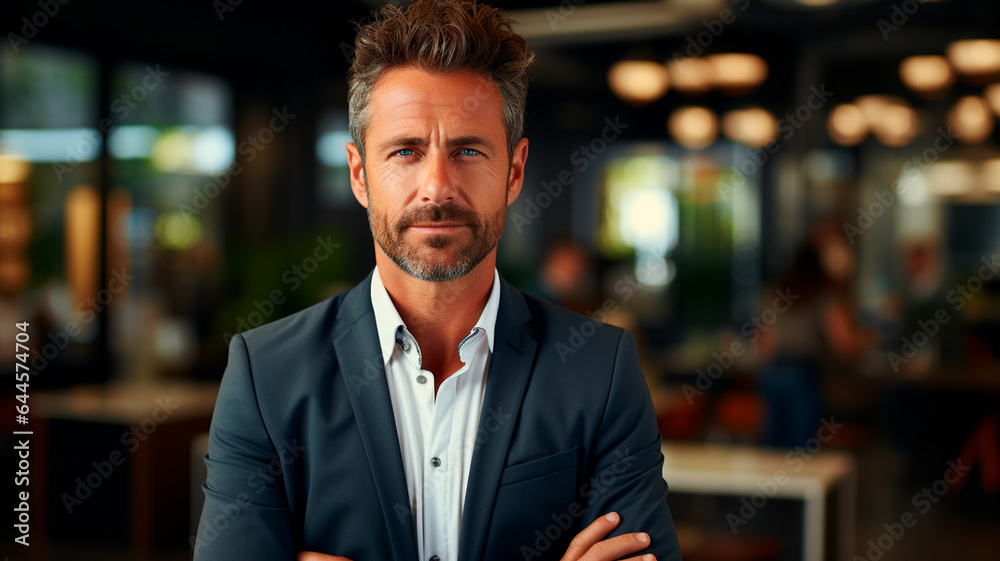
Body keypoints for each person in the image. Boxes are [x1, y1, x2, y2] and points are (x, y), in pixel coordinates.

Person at [194, 1, 682, 560]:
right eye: (406, 151)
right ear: (359, 174)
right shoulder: (265, 375)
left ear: (515, 171)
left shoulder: (600, 367)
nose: (436, 187)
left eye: (468, 151)